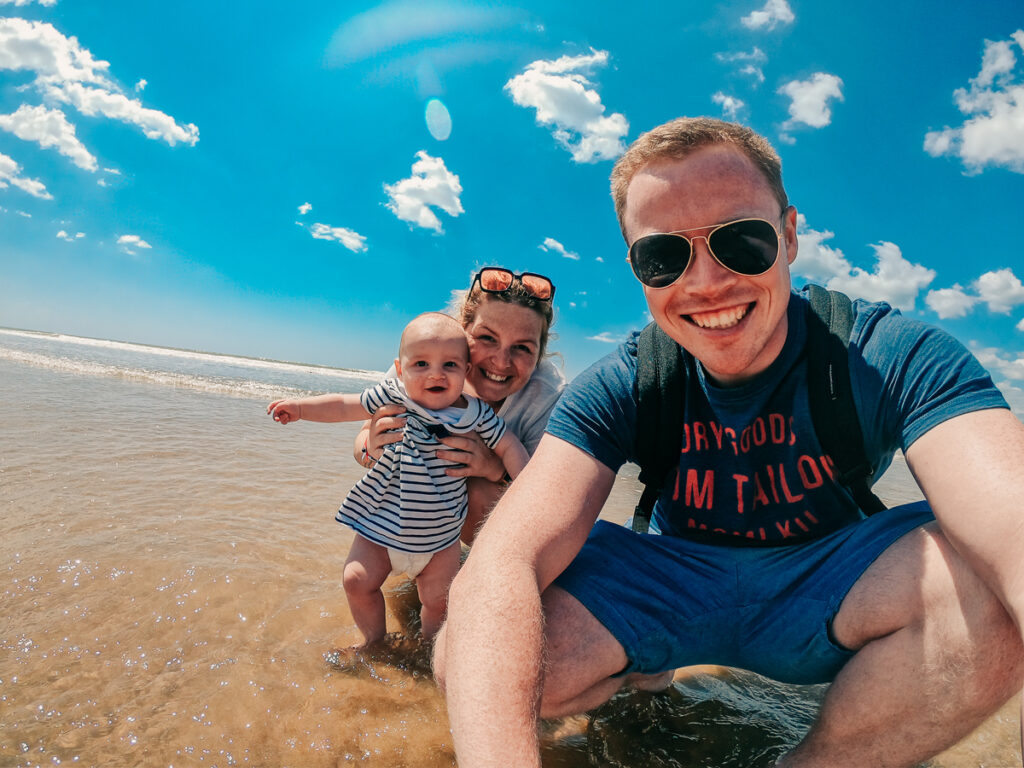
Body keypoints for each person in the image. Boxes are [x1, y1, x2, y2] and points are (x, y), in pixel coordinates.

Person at [436, 117, 1024, 767]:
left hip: (823, 590)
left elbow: (1014, 528)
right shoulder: (623, 381)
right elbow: (503, 563)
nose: (708, 282)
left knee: (990, 591)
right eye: (664, 256)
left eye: (741, 241)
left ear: (790, 236)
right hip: (671, 590)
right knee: (465, 650)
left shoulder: (893, 355)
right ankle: (640, 674)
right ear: (638, 270)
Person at [268, 312, 528, 646]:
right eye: (421, 363)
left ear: (465, 371)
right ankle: (374, 643)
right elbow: (346, 405)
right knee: (356, 581)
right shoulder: (393, 395)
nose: (436, 373)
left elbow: (509, 445)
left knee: (438, 603)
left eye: (449, 365)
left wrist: (526, 487)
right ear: (401, 369)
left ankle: (431, 650)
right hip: (382, 527)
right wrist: (302, 409)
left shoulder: (475, 414)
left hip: (440, 540)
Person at [354, 267, 565, 545]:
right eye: (487, 338)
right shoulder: (421, 365)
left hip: (490, 507)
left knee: (479, 493)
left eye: (522, 348)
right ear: (461, 332)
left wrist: (495, 469)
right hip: (417, 501)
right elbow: (361, 446)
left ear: (539, 354)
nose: (501, 362)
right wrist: (372, 447)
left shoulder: (547, 397)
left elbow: (550, 502)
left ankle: (484, 572)